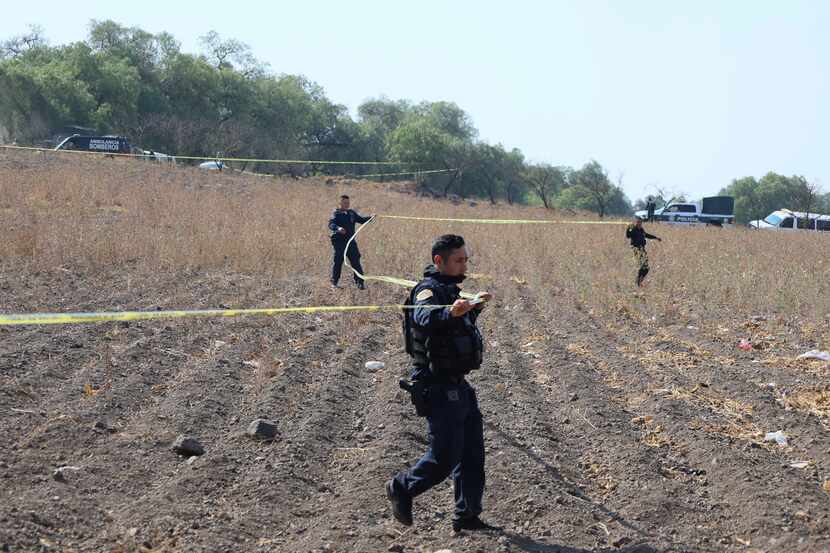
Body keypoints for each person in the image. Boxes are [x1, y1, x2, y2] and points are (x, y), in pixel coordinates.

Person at [386, 234, 495, 532]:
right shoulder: (427, 291)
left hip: (459, 386)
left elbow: (454, 330)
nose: (464, 264)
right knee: (444, 458)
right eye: (459, 260)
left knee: (472, 455)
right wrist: (450, 311)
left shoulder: (449, 290)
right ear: (439, 261)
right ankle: (402, 487)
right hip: (437, 386)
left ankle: (467, 516)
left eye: (465, 259)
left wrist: (473, 307)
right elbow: (424, 317)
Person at [328, 195, 372, 289]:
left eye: (348, 203)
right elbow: (331, 224)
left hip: (351, 242)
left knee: (356, 261)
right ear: (339, 203)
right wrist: (338, 228)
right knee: (338, 261)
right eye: (344, 203)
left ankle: (360, 283)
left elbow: (361, 220)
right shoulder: (335, 213)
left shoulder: (351, 213)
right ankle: (334, 283)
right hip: (339, 242)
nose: (346, 204)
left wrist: (371, 218)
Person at [626, 217, 662, 287]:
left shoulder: (641, 230)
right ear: (635, 223)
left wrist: (656, 238)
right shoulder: (633, 229)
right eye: (638, 222)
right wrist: (628, 228)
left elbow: (647, 235)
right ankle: (638, 283)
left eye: (640, 222)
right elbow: (628, 236)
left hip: (642, 249)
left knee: (646, 268)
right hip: (636, 249)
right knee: (643, 266)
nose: (639, 223)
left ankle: (639, 281)